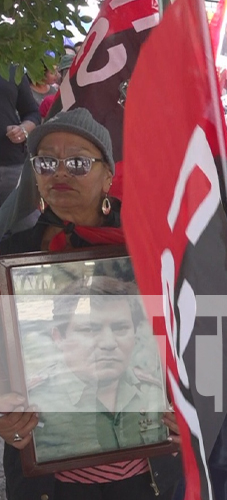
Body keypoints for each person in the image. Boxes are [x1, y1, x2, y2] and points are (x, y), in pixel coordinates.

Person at [0, 108, 182, 500]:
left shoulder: (150, 248)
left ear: (108, 175)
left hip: (146, 472)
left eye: (79, 162)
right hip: (48, 476)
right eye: (47, 161)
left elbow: (194, 336)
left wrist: (190, 406)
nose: (60, 172)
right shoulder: (13, 256)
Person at [31, 277, 169, 463]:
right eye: (90, 329)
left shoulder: (155, 392)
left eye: (120, 328)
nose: (108, 343)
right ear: (59, 337)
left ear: (135, 333)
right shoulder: (34, 402)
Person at [1, 66, 40, 207]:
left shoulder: (12, 70)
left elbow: (32, 113)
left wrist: (23, 130)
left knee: (24, 224)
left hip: (10, 165)